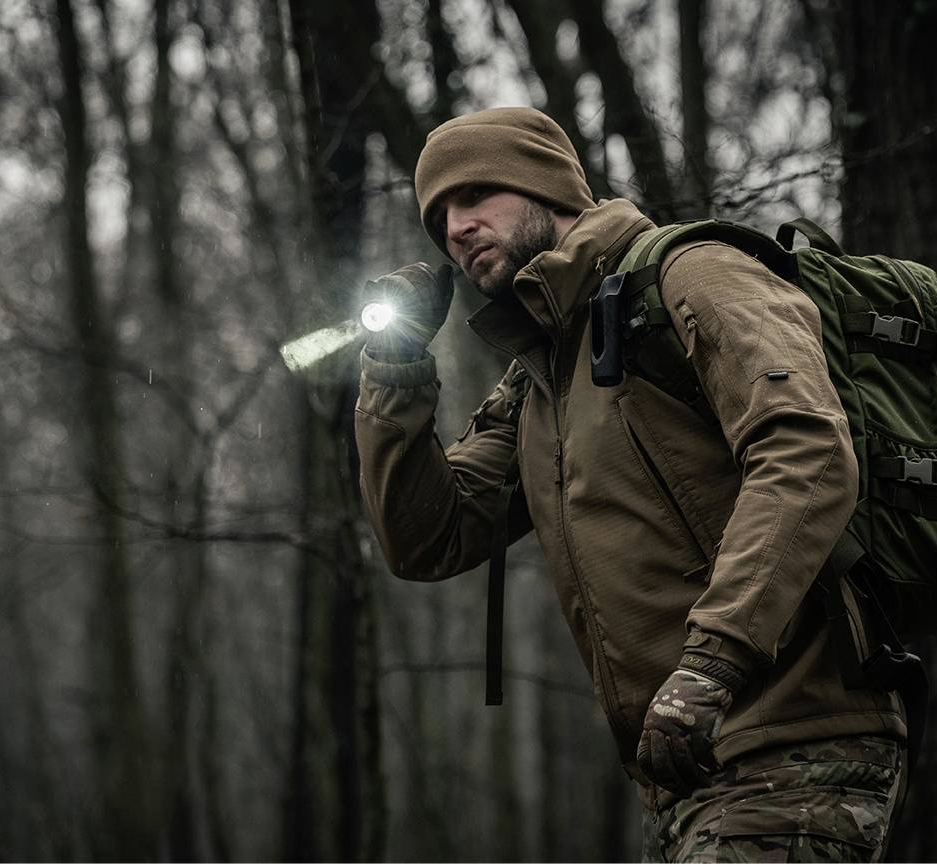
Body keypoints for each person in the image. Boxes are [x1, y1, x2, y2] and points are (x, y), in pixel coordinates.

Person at [354, 106, 907, 862]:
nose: (455, 226)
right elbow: (430, 536)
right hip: (690, 777)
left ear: (545, 187)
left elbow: (806, 448)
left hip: (795, 746)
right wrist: (397, 369)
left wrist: (714, 659)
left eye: (475, 194)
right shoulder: (542, 375)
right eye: (439, 214)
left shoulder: (692, 275)